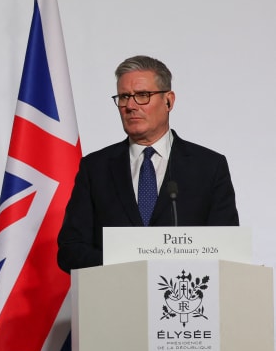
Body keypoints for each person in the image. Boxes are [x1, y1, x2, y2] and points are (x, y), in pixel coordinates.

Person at [57, 55, 238, 272]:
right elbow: (70, 250)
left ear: (169, 100)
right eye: (124, 96)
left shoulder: (208, 166)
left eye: (143, 95)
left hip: (183, 299)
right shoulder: (95, 168)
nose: (130, 106)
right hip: (114, 298)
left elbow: (226, 249)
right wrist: (129, 265)